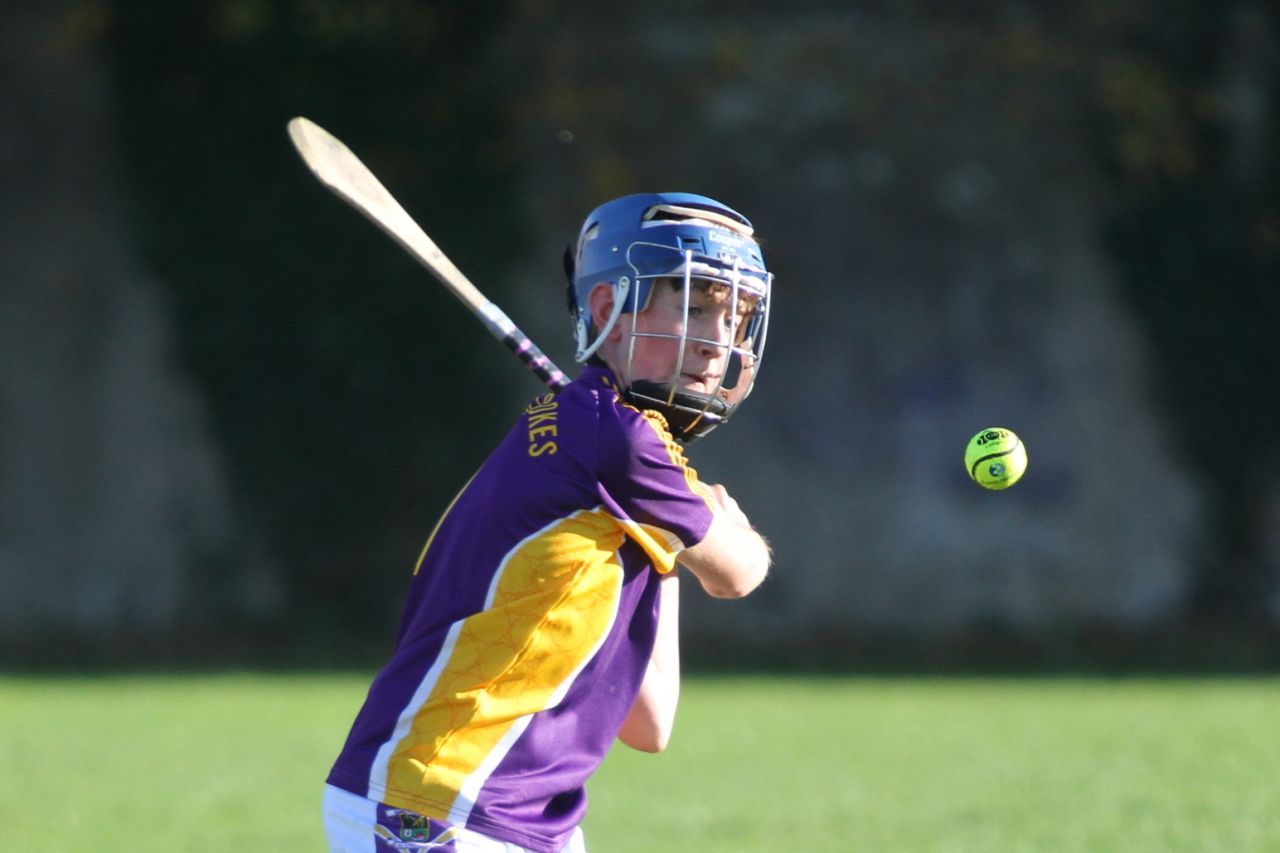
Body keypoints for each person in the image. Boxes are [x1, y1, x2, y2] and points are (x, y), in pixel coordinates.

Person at [323, 192, 774, 852]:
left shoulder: (606, 452)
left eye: (736, 316)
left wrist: (671, 537)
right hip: (433, 803)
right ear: (607, 313)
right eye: (695, 307)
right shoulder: (614, 442)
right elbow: (740, 570)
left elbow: (649, 722)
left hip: (531, 824)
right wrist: (711, 523)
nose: (717, 341)